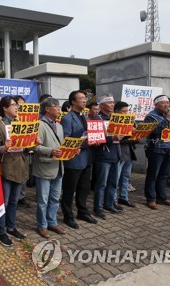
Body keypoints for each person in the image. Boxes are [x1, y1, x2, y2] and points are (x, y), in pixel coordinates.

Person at [0, 96, 36, 246]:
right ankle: (0, 231)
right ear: (4, 108)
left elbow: (28, 147)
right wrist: (4, 147)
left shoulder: (21, 123)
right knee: (3, 203)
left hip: (21, 166)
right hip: (6, 168)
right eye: (13, 105)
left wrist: (33, 143)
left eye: (17, 105)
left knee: (13, 201)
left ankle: (11, 227)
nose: (16, 107)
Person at [60, 90, 98, 229]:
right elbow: (66, 139)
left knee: (84, 188)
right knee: (69, 189)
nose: (84, 100)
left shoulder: (86, 117)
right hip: (74, 159)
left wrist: (96, 139)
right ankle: (68, 215)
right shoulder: (68, 118)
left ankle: (82, 211)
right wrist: (86, 142)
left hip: (87, 158)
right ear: (73, 102)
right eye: (81, 98)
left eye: (85, 98)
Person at [32, 98, 66, 238]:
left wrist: (71, 150)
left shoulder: (59, 126)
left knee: (55, 198)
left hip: (58, 167)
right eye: (56, 106)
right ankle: (42, 225)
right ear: (47, 109)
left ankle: (52, 222)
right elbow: (34, 146)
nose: (59, 109)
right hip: (44, 167)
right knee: (43, 200)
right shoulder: (38, 125)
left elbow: (62, 144)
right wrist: (50, 151)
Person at [144, 95, 170, 210]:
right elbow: (153, 131)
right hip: (156, 148)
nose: (166, 105)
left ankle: (162, 197)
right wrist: (167, 120)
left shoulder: (169, 115)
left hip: (169, 148)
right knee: (153, 175)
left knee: (164, 175)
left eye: (167, 103)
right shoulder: (151, 117)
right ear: (156, 104)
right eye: (163, 103)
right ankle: (151, 198)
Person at [92, 94, 124, 219]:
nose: (112, 104)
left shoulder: (115, 118)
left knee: (113, 182)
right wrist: (112, 138)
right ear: (102, 104)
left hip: (116, 154)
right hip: (103, 155)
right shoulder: (96, 118)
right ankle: (98, 208)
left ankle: (109, 204)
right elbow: (95, 138)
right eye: (109, 102)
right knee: (101, 184)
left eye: (113, 102)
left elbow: (121, 134)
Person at [114, 101, 137, 207]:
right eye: (124, 111)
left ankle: (124, 197)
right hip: (118, 151)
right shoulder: (113, 122)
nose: (126, 113)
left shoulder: (131, 121)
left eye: (127, 111)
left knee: (126, 176)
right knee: (116, 177)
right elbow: (114, 139)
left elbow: (136, 139)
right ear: (117, 111)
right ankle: (113, 199)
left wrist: (136, 134)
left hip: (128, 151)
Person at [14, 95, 31, 208]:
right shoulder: (12, 119)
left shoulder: (27, 118)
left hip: (25, 151)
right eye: (19, 104)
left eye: (23, 105)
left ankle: (22, 197)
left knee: (24, 174)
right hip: (13, 153)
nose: (21, 107)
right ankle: (15, 197)